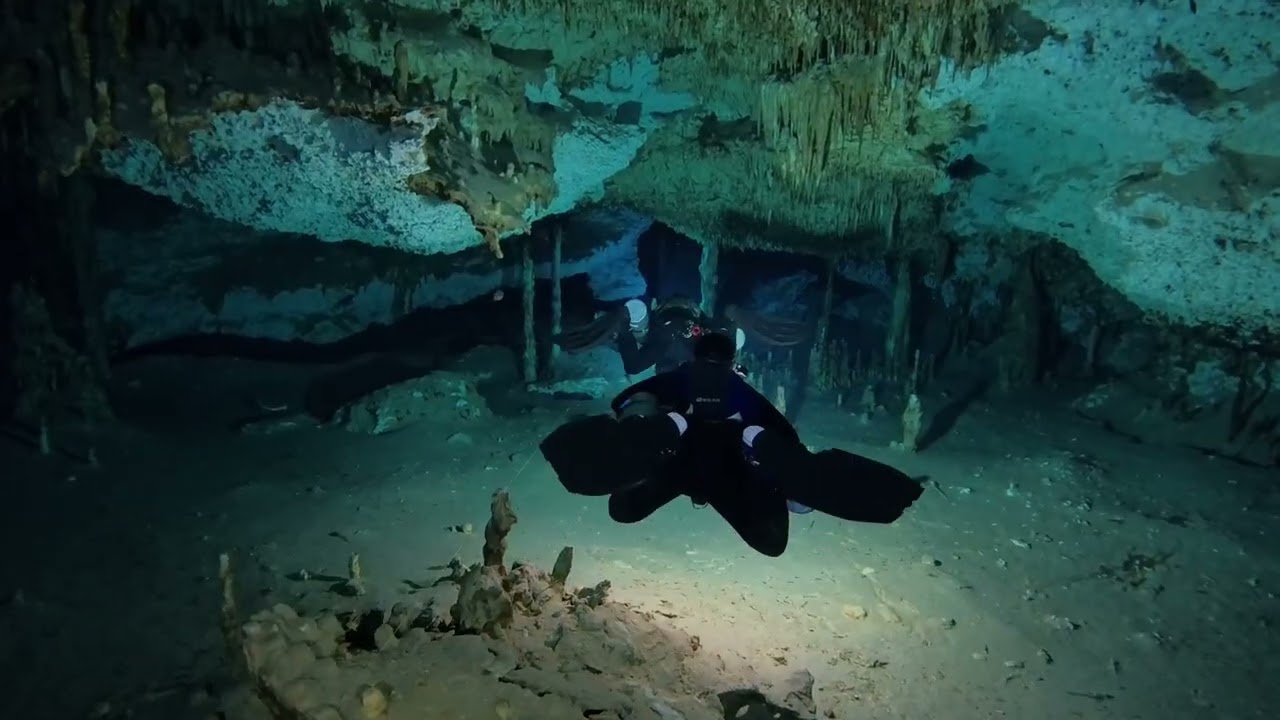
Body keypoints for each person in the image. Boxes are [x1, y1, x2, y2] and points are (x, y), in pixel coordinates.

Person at [539, 331, 925, 557]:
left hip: (690, 461)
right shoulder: (733, 392)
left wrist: (653, 425)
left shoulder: (686, 384)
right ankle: (771, 483)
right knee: (625, 509)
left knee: (624, 509)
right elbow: (781, 435)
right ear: (730, 361)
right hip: (708, 463)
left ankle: (768, 482)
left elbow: (630, 399)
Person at [553, 296, 809, 376]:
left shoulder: (669, 346)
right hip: (672, 327)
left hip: (673, 326)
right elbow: (726, 323)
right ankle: (623, 320)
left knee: (635, 353)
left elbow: (726, 322)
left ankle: (623, 320)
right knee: (634, 357)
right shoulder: (667, 344)